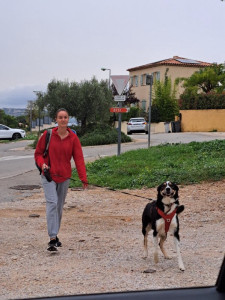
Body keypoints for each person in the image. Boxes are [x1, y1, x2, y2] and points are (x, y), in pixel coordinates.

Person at [34, 108, 88, 251]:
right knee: (52, 203)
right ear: (56, 119)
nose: (63, 119)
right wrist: (42, 164)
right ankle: (52, 238)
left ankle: (55, 234)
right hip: (48, 175)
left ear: (68, 119)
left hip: (64, 177)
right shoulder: (48, 135)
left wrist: (83, 178)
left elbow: (79, 159)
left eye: (65, 117)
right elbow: (38, 154)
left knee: (59, 206)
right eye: (60, 117)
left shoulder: (73, 138)